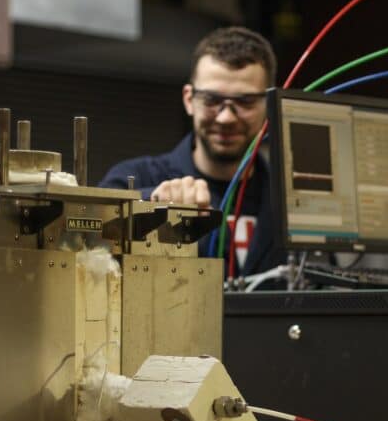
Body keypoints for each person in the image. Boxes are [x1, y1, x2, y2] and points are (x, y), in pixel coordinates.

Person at [99, 25, 284, 276]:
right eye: (211, 100)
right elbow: (91, 226)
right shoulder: (140, 178)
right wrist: (152, 203)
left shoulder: (288, 199)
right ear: (189, 100)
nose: (226, 118)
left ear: (269, 106)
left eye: (245, 102)